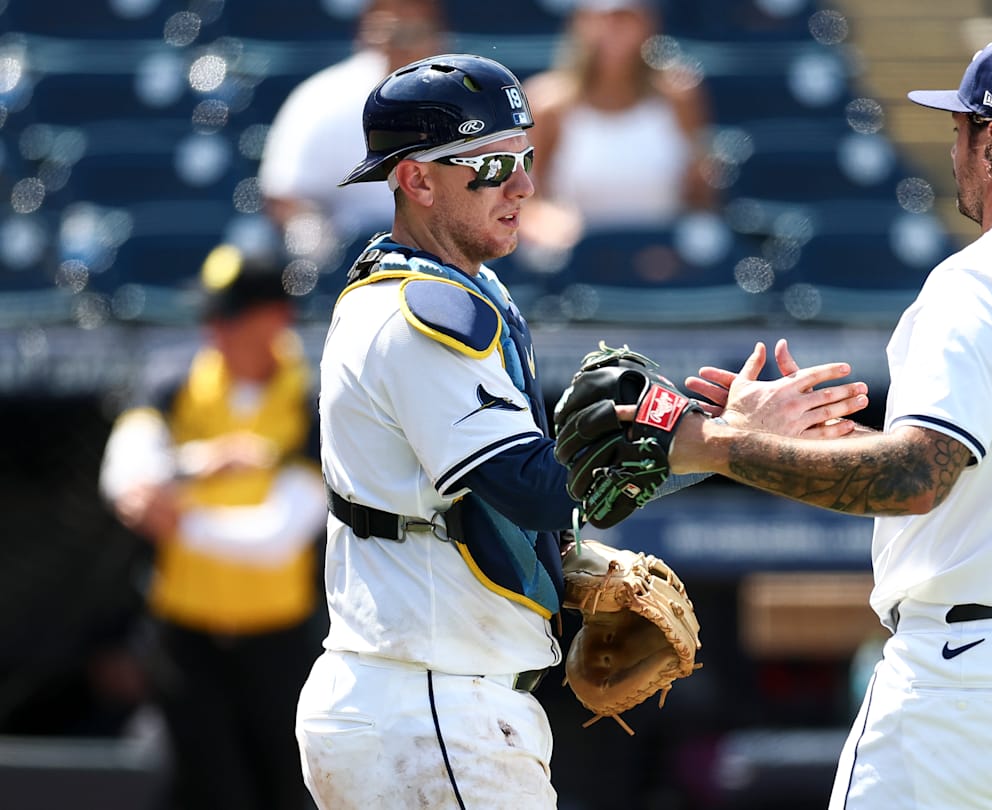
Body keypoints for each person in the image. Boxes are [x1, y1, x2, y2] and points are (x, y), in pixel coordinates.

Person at [294, 53, 866, 809]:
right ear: (417, 180)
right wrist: (728, 439)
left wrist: (709, 445)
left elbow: (512, 498)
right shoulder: (416, 317)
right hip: (429, 706)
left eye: (525, 159)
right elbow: (528, 486)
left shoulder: (458, 289)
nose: (523, 185)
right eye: (491, 165)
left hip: (426, 701)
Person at [658, 38, 992, 809]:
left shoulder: (981, 279)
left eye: (960, 128)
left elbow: (916, 478)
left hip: (973, 681)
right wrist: (786, 436)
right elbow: (982, 469)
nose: (953, 148)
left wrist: (714, 446)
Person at [99, 244, 327, 810]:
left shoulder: (315, 398)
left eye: (230, 316)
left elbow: (276, 538)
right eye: (211, 315)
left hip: (280, 640)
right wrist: (200, 463)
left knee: (284, 788)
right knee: (204, 790)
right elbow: (126, 475)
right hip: (185, 638)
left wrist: (178, 517)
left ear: (277, 318)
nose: (214, 330)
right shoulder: (174, 378)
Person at [519, 0, 712, 251]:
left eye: (624, 18)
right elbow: (525, 197)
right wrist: (545, 222)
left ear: (647, 24)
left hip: (661, 257)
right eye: (601, 18)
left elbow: (701, 191)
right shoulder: (546, 104)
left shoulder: (680, 97)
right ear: (580, 23)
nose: (612, 28)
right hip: (578, 256)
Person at [259, 0, 448, 244]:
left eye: (417, 31)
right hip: (351, 255)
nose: (405, 44)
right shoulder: (323, 98)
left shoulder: (474, 99)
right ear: (368, 30)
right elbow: (285, 195)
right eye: (395, 31)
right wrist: (315, 242)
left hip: (448, 251)